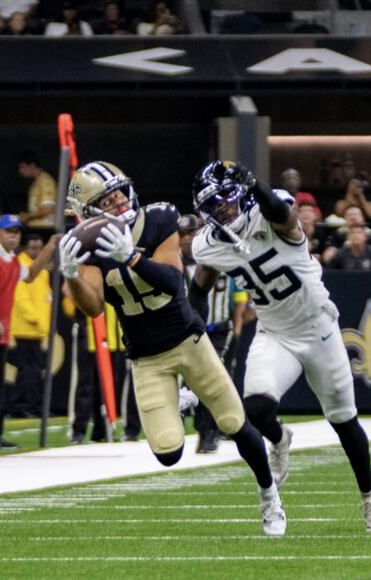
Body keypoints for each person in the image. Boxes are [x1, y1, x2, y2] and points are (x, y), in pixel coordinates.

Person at [57, 160, 286, 535]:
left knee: (233, 422)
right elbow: (94, 307)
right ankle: (183, 398)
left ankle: (269, 496)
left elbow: (172, 282)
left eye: (119, 194)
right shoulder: (86, 245)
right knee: (167, 453)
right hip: (146, 357)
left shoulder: (159, 218)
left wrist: (132, 257)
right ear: (88, 212)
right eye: (107, 201)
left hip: (188, 340)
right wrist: (70, 277)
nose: (119, 203)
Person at [188, 160, 371, 534]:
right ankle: (280, 439)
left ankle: (369, 495)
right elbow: (199, 287)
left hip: (318, 328)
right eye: (212, 205)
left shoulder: (270, 213)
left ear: (241, 194)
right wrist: (194, 331)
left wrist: (256, 184)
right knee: (254, 409)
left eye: (225, 199)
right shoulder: (209, 245)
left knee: (343, 421)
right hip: (275, 332)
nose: (221, 210)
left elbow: (284, 217)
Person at [0, 215, 58, 447]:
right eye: (9, 232)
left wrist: (49, 248)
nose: (13, 236)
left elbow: (30, 275)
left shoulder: (11, 260)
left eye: (17, 232)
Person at [178, 213, 239, 454]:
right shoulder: (174, 263)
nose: (186, 239)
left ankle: (211, 431)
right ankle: (194, 428)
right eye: (182, 235)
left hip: (218, 328)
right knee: (193, 380)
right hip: (189, 332)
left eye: (190, 233)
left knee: (214, 377)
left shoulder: (217, 255)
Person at [7, 234, 52, 418]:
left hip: (37, 330)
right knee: (28, 370)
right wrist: (35, 318)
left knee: (32, 370)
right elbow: (20, 297)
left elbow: (46, 298)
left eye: (39, 248)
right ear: (25, 248)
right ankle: (24, 406)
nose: (36, 251)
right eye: (33, 247)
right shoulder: (21, 265)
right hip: (25, 328)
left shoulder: (42, 271)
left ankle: (30, 405)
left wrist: (43, 324)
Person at [17, 151, 57, 228]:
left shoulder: (46, 181)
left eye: (23, 167)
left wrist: (27, 216)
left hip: (45, 228)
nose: (20, 171)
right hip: (35, 227)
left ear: (32, 165)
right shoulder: (35, 183)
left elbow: (48, 209)